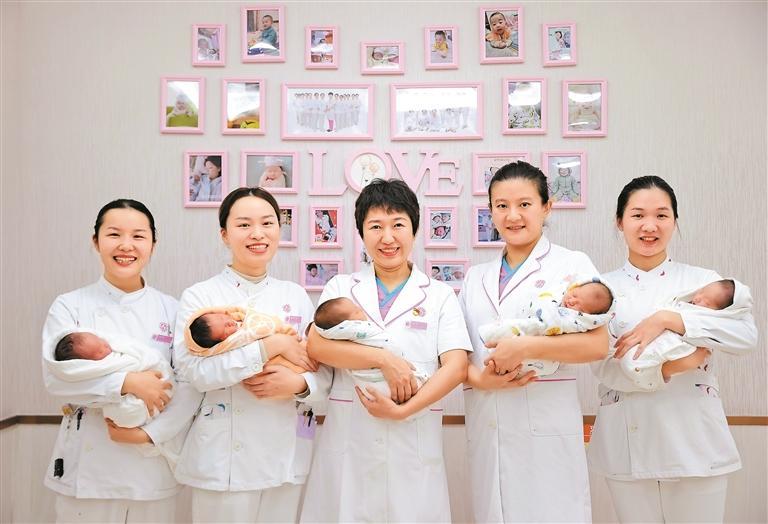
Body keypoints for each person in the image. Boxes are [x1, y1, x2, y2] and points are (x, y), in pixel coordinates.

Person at [300, 179, 472, 522]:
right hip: (350, 445)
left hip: (413, 442)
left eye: (398, 225)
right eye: (376, 226)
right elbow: (317, 345)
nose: (387, 237)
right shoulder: (341, 287)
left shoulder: (439, 295)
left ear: (414, 229)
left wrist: (402, 411)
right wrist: (383, 360)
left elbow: (456, 367)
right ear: (362, 233)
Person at [588, 176, 758, 523]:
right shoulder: (601, 289)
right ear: (619, 221)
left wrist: (670, 319)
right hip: (629, 442)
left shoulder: (702, 281)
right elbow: (602, 364)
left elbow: (745, 337)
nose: (650, 226)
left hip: (695, 440)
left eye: (662, 215)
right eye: (638, 215)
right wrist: (670, 368)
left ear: (675, 222)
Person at [459, 161, 608, 522]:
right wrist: (480, 379)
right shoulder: (476, 278)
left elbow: (598, 345)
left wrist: (526, 347)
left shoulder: (570, 265)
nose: (513, 216)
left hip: (546, 431)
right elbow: (459, 354)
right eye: (502, 205)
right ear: (491, 211)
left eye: (524, 204)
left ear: (546, 207)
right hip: (487, 426)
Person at [172, 187, 330, 523]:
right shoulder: (200, 296)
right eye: (244, 225)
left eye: (267, 223)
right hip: (224, 461)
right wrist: (268, 348)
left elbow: (323, 372)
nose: (257, 233)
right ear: (224, 235)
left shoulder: (296, 295)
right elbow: (193, 373)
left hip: (285, 456)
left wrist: (300, 385)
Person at [41, 199, 200, 523]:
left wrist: (150, 434)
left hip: (151, 469)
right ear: (95, 241)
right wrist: (127, 382)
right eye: (114, 234)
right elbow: (57, 378)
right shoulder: (70, 305)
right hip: (88, 474)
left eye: (138, 236)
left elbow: (189, 387)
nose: (126, 245)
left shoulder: (173, 309)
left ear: (153, 244)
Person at [618, 278, 752, 391]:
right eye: (701, 292)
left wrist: (666, 320)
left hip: (685, 395)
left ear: (719, 313)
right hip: (628, 379)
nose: (697, 297)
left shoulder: (716, 315)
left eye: (706, 302)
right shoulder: (610, 285)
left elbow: (748, 339)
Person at [479, 278, 614, 378]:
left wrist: (522, 347)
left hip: (543, 389)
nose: (571, 301)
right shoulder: (476, 274)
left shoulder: (577, 319)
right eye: (574, 295)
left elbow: (599, 348)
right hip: (482, 387)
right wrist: (479, 382)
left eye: (580, 307)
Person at [47, 330, 175, 428]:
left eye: (100, 341)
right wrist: (128, 382)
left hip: (163, 400)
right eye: (99, 352)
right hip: (100, 432)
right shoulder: (97, 369)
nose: (105, 346)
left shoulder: (116, 346)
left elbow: (142, 356)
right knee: (127, 412)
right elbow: (57, 383)